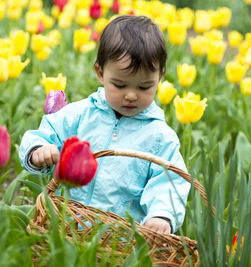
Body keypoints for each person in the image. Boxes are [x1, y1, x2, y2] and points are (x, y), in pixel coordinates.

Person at [19, 15, 190, 234]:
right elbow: (45, 133)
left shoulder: (160, 137)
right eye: (119, 85)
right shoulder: (80, 115)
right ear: (100, 73)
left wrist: (161, 216)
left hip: (120, 240)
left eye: (144, 87)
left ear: (160, 77)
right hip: (64, 226)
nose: (131, 95)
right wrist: (38, 150)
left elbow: (170, 182)